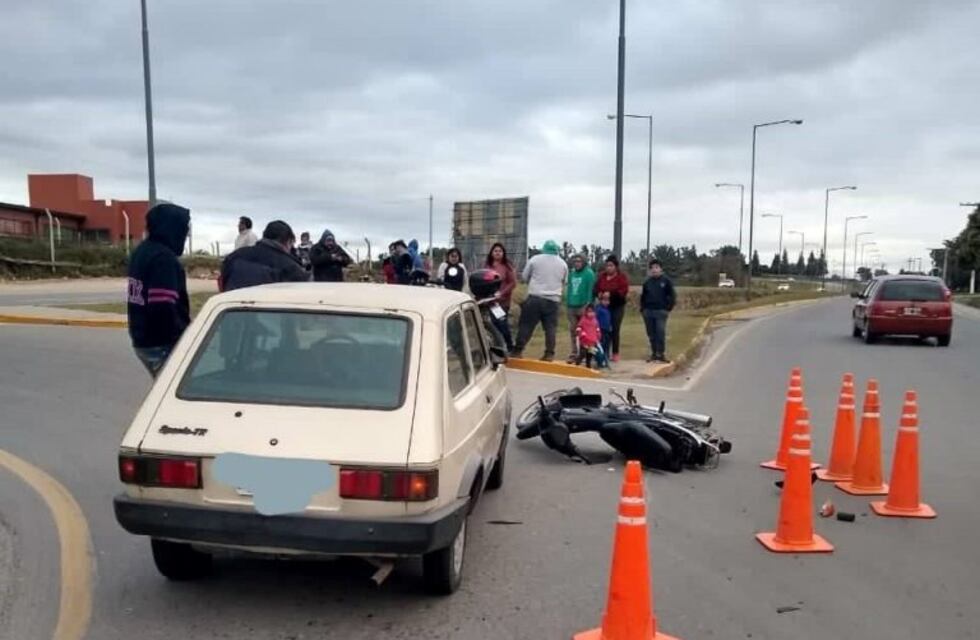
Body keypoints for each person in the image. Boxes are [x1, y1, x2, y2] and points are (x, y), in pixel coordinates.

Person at [127, 202, 192, 376]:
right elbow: (162, 305)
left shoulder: (142, 251)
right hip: (162, 342)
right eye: (184, 228)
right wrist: (183, 337)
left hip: (142, 338)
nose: (186, 234)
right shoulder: (163, 258)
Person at [511, 240, 568, 361]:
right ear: (556, 250)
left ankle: (517, 351)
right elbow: (564, 281)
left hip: (535, 297)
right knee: (550, 328)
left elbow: (525, 277)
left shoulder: (535, 259)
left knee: (526, 325)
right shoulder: (563, 263)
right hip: (553, 300)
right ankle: (549, 354)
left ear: (544, 248)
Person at [220, 220, 309, 291]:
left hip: (234, 310)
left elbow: (223, 283)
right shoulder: (290, 267)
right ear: (289, 241)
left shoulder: (234, 257)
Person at [594, 254, 630, 362]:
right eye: (607, 265)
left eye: (611, 265)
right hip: (604, 308)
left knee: (614, 329)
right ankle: (603, 352)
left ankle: (615, 352)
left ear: (616, 267)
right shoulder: (602, 276)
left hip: (617, 306)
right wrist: (599, 294)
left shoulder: (621, 277)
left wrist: (610, 294)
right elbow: (595, 289)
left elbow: (623, 291)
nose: (609, 268)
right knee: (603, 329)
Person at [640, 258, 676, 363]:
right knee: (651, 333)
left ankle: (661, 354)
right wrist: (643, 309)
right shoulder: (647, 283)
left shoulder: (666, 281)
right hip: (648, 311)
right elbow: (643, 297)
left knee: (660, 332)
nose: (654, 270)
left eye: (656, 267)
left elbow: (672, 296)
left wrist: (668, 308)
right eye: (652, 268)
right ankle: (654, 353)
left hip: (661, 311)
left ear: (661, 269)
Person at [564, 254, 596, 363]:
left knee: (586, 332)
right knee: (573, 331)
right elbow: (569, 289)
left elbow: (590, 290)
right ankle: (574, 353)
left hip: (583, 306)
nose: (577, 263)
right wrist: (567, 302)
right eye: (575, 261)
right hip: (572, 305)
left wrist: (588, 305)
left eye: (579, 261)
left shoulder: (589, 274)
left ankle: (587, 353)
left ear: (583, 262)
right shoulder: (572, 273)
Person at [485, 242, 517, 351]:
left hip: (502, 302)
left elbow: (512, 283)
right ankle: (499, 346)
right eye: (495, 251)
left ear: (503, 253)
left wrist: (502, 293)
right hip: (490, 301)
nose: (498, 253)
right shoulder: (487, 266)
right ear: (491, 253)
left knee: (502, 323)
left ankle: (510, 345)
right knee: (494, 325)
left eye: (500, 251)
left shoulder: (507, 266)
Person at [575, 304, 601, 369]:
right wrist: (581, 334)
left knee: (590, 354)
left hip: (592, 341)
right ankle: (578, 362)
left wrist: (598, 335)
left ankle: (588, 364)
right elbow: (579, 328)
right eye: (589, 312)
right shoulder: (583, 320)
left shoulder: (595, 321)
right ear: (586, 312)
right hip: (584, 341)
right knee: (583, 353)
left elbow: (597, 329)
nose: (591, 313)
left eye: (592, 312)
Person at [596, 291, 613, 362]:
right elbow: (596, 319)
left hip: (607, 329)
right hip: (601, 329)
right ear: (601, 301)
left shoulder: (608, 310)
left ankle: (606, 355)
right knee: (601, 343)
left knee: (607, 342)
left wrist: (610, 326)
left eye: (608, 301)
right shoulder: (598, 309)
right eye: (604, 300)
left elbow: (609, 319)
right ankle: (600, 356)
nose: (606, 302)